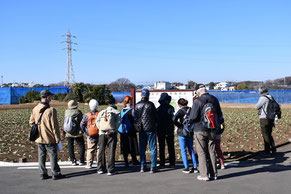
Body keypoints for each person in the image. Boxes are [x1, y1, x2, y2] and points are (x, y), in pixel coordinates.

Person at [189, 86, 224, 181]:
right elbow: (220, 114)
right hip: (212, 129)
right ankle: (214, 174)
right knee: (212, 151)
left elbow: (193, 117)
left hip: (200, 129)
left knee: (201, 152)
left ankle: (204, 174)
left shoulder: (198, 101)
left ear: (198, 92)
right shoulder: (214, 99)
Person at [29, 90, 64, 180]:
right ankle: (55, 173)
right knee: (52, 155)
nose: (51, 98)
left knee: (41, 156)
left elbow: (31, 122)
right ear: (48, 97)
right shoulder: (51, 110)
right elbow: (54, 126)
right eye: (50, 96)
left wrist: (39, 128)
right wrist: (57, 138)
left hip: (39, 138)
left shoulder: (35, 108)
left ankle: (43, 173)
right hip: (49, 138)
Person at [134, 88, 159, 173]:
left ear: (141, 95)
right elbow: (156, 116)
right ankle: (153, 166)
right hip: (151, 128)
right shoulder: (151, 104)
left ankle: (142, 166)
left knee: (142, 148)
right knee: (153, 148)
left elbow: (135, 118)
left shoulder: (137, 105)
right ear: (148, 95)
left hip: (141, 129)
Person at [173, 98, 198, 174]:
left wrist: (179, 125)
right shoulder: (191, 110)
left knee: (183, 150)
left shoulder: (180, 111)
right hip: (190, 132)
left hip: (182, 132)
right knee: (191, 149)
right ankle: (195, 167)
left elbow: (173, 119)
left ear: (179, 105)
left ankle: (186, 167)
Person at [96, 98, 120, 176]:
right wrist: (112, 130)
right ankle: (111, 169)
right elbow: (118, 123)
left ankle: (100, 168)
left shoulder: (102, 112)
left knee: (101, 150)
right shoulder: (116, 112)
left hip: (102, 133)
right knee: (111, 151)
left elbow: (97, 122)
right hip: (112, 134)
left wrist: (102, 129)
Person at [62, 100, 85, 166]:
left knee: (70, 146)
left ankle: (73, 161)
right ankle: (81, 160)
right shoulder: (78, 112)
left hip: (69, 132)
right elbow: (81, 121)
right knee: (81, 146)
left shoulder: (66, 112)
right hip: (77, 133)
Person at [119, 96, 140, 167]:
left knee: (124, 145)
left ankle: (126, 161)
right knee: (132, 145)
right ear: (130, 101)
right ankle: (134, 160)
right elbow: (135, 120)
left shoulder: (122, 110)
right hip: (131, 130)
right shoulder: (132, 111)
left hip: (123, 131)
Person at [255, 86, 277, 156]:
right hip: (271, 118)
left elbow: (256, 107)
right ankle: (273, 149)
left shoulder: (262, 98)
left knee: (265, 134)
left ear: (261, 91)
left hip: (264, 118)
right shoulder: (271, 97)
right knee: (269, 134)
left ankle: (267, 151)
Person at [157, 93, 175, 168]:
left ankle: (162, 163)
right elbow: (173, 118)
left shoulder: (158, 109)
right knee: (170, 146)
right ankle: (172, 163)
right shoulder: (171, 108)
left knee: (161, 147)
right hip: (169, 129)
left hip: (160, 129)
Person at [80, 99, 100, 169]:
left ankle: (89, 164)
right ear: (97, 106)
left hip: (90, 135)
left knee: (90, 149)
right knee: (99, 149)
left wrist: (85, 132)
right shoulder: (99, 114)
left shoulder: (86, 115)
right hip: (98, 134)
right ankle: (99, 163)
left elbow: (82, 124)